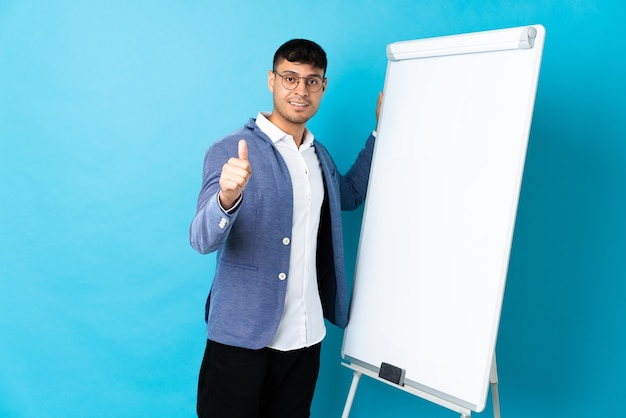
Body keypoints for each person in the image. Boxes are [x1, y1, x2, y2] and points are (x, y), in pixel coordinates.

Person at [190, 38, 381, 418]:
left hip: (305, 338)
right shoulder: (232, 148)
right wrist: (226, 198)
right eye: (290, 78)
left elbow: (352, 194)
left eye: (312, 81)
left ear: (323, 88)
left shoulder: (319, 155)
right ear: (271, 80)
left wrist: (381, 132)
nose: (300, 90)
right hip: (242, 339)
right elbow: (201, 238)